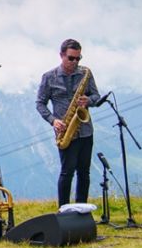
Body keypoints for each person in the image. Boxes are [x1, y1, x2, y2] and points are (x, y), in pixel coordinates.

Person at [35, 38, 101, 208]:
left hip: (85, 130)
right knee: (67, 173)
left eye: (78, 58)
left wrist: (88, 100)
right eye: (71, 58)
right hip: (65, 131)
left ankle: (82, 210)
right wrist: (53, 120)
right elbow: (40, 103)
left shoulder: (85, 73)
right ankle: (63, 210)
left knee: (84, 173)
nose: (75, 62)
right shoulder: (49, 77)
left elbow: (96, 97)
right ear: (61, 55)